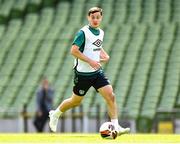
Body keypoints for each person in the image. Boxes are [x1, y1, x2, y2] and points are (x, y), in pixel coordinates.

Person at [49, 7, 130, 135]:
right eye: (93, 17)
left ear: (101, 18)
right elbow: (73, 51)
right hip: (82, 74)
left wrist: (105, 55)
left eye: (98, 17)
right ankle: (55, 114)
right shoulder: (83, 33)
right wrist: (90, 61)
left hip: (97, 72)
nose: (95, 20)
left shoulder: (101, 32)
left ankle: (115, 126)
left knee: (111, 96)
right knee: (75, 101)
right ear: (88, 18)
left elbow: (97, 45)